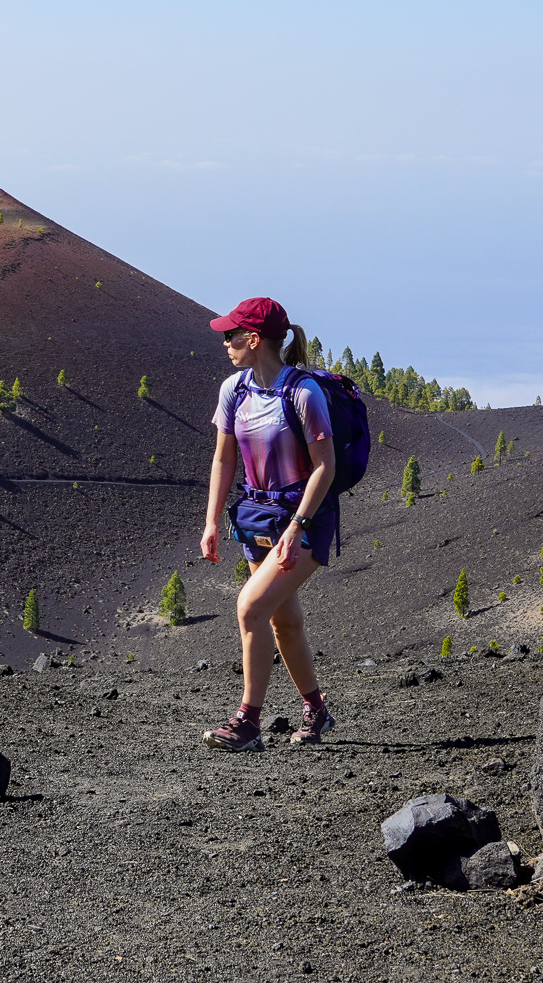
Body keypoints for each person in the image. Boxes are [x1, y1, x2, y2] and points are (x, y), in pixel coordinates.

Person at [198, 297, 337, 750]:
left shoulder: (303, 394)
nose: (225, 342)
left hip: (304, 520)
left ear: (253, 339)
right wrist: (212, 522)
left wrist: (298, 526)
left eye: (231, 335)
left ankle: (248, 723)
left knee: (250, 607)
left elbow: (325, 468)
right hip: (259, 517)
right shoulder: (233, 390)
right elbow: (223, 458)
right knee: (284, 622)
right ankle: (317, 711)